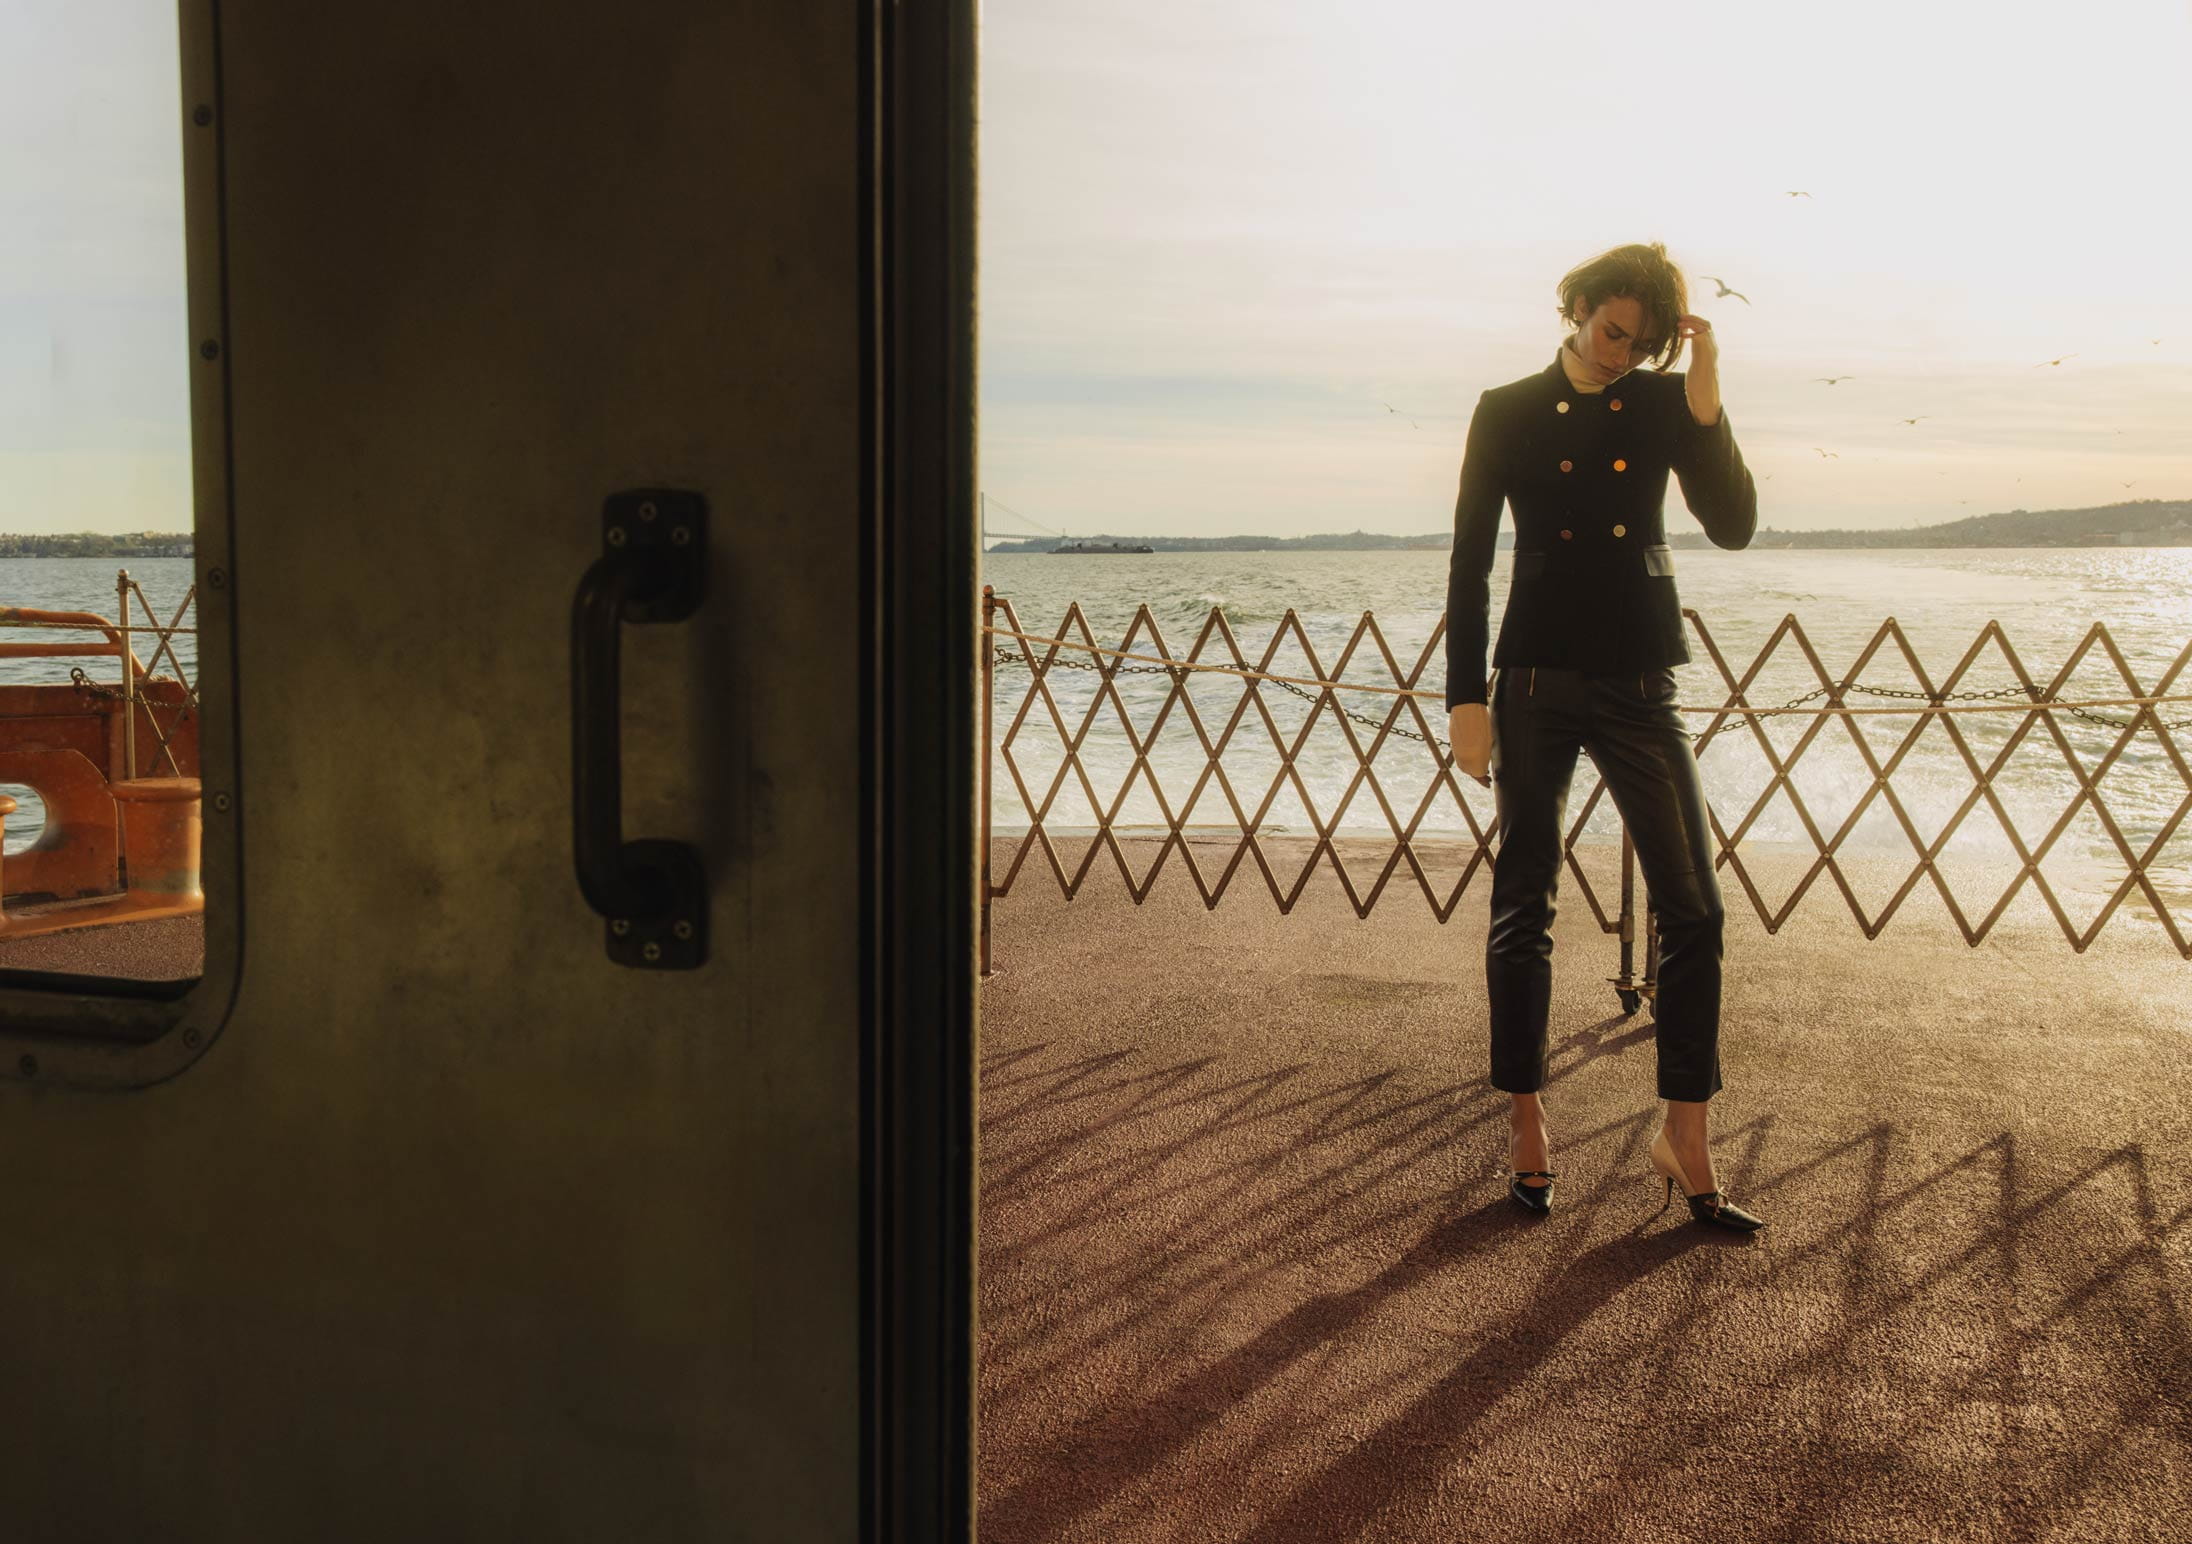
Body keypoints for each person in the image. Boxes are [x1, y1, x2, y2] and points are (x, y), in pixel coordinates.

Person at [1443, 241, 1765, 1231]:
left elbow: (1732, 525)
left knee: (1695, 909)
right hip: (1533, 675)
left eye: (1646, 342)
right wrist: (1465, 694)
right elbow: (1468, 560)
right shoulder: (1503, 408)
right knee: (1523, 902)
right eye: (1613, 329)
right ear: (1576, 306)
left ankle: (1684, 1131)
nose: (1624, 352)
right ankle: (1527, 1118)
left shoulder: (1666, 406)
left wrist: (1705, 400)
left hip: (1636, 674)